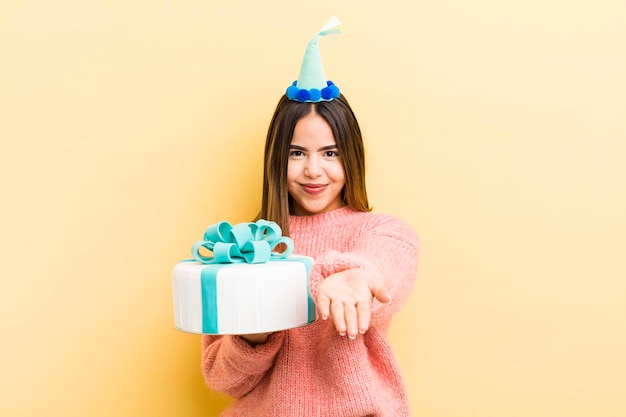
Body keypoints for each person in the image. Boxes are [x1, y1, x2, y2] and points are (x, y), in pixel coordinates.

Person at [200, 17, 420, 416]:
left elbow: (383, 269)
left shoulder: (381, 232)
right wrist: (253, 336)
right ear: (276, 159)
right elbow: (221, 379)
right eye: (297, 153)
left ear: (351, 156)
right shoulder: (242, 249)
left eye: (330, 153)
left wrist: (355, 277)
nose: (313, 170)